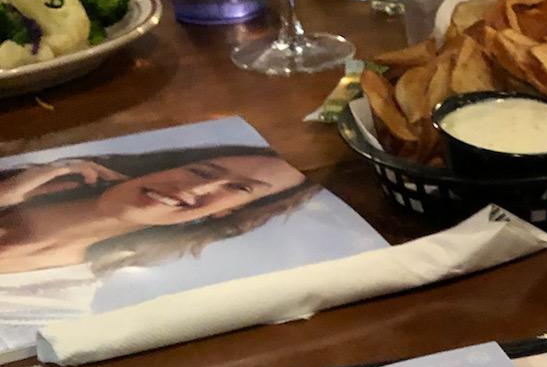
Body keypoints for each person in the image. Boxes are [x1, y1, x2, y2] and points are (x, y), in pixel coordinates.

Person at [0, 145, 316, 281]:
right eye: (201, 171)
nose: (197, 188)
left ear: (227, 212)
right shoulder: (11, 184)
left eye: (238, 188)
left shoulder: (63, 294)